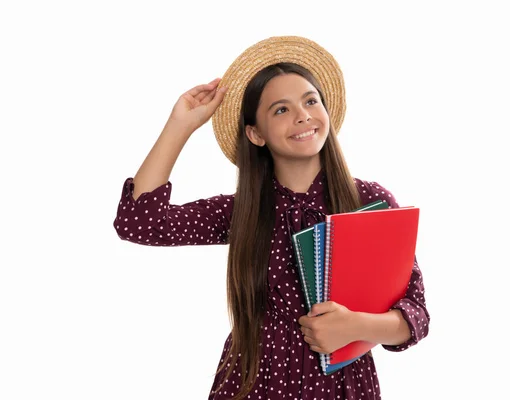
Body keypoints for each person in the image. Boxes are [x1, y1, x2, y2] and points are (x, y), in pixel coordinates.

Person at [113, 36, 430, 400]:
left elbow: (415, 314)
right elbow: (138, 222)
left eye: (311, 101)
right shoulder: (244, 210)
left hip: (343, 386)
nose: (302, 115)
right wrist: (179, 126)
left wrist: (355, 326)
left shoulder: (368, 202)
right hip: (254, 382)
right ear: (255, 134)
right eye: (281, 109)